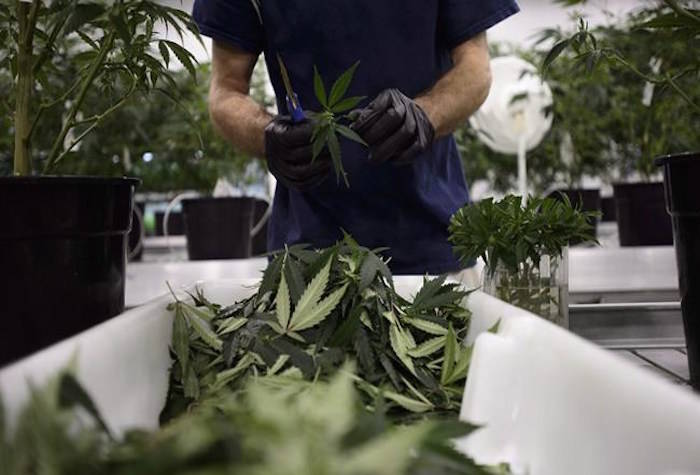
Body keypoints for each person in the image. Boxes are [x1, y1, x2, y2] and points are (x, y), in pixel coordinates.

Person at [192, 0, 519, 274]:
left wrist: (425, 115)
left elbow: (475, 68)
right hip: (308, 254)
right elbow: (226, 90)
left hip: (433, 240)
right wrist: (266, 134)